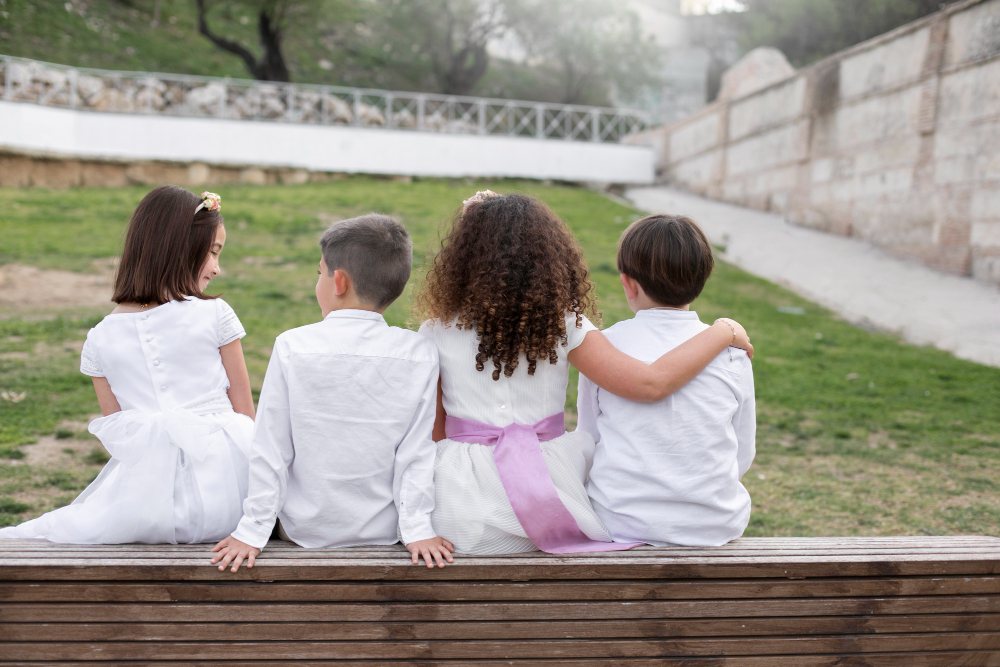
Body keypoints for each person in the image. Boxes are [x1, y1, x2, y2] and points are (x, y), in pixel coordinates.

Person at [416, 191, 753, 555]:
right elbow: (649, 384)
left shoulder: (434, 332)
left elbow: (435, 432)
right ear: (548, 259)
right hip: (553, 500)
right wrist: (723, 331)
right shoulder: (566, 326)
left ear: (461, 262)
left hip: (463, 510)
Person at [0, 186, 255, 544]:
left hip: (149, 507)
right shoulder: (215, 314)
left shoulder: (99, 339)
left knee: (64, 525)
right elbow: (245, 415)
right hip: (233, 497)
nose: (217, 267)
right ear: (180, 249)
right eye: (213, 252)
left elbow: (122, 439)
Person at [211, 214, 454, 573]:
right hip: (383, 531)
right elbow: (417, 452)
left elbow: (271, 446)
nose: (318, 281)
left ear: (338, 281)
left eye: (319, 272)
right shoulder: (419, 352)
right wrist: (417, 529)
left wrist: (252, 530)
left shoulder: (293, 345)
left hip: (302, 530)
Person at [578, 214, 755, 547]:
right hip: (713, 524)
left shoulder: (605, 348)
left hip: (619, 520)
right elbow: (742, 450)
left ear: (628, 283)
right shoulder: (733, 353)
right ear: (702, 279)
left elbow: (589, 439)